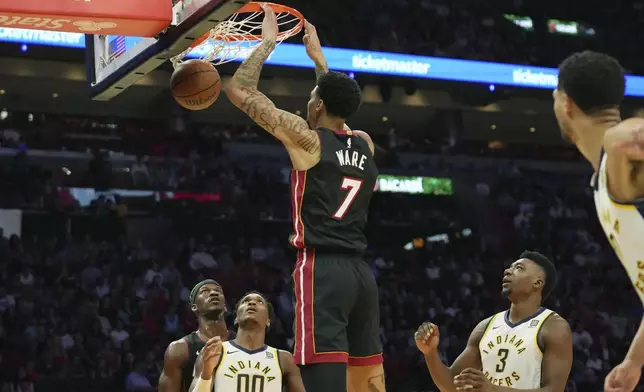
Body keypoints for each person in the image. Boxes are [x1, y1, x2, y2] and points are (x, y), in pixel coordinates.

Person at [224, 6, 384, 392]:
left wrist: (266, 44)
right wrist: (320, 62)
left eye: (311, 99)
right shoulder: (365, 143)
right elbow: (336, 108)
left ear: (316, 107)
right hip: (362, 276)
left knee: (321, 375)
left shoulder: (308, 140)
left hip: (322, 270)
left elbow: (240, 90)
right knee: (366, 379)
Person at [553, 50, 644, 391]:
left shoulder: (618, 150)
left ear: (566, 105)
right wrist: (634, 361)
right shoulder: (606, 177)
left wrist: (623, 137)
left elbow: (633, 135)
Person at [415, 251, 573, 391]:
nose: (507, 271)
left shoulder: (554, 327)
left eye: (519, 268)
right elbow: (451, 385)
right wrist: (430, 353)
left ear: (537, 283)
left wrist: (493, 389)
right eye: (510, 267)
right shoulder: (486, 326)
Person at [189, 291, 305, 392]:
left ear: (268, 320)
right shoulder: (214, 351)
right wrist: (206, 375)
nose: (252, 303)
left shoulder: (284, 359)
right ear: (236, 318)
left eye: (259, 302)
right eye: (246, 301)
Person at [158, 279, 231, 392]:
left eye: (218, 291)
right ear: (194, 307)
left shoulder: (243, 342)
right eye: (205, 291)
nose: (213, 293)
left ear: (225, 306)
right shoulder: (179, 349)